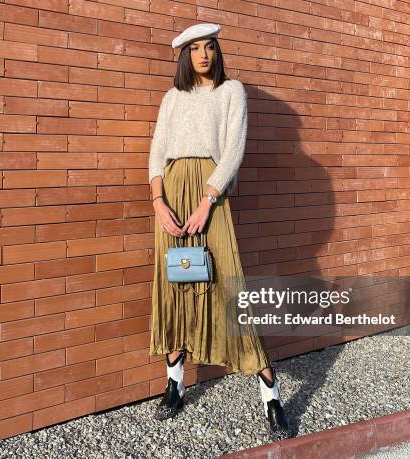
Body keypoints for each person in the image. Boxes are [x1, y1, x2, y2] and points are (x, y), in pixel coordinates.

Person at [148, 23, 290, 436]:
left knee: (228, 286)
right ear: (185, 55)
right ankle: (174, 386)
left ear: (217, 51)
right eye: (195, 48)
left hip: (211, 196)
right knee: (176, 284)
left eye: (209, 47)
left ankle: (271, 397)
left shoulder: (232, 92)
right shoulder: (172, 98)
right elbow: (156, 152)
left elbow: (234, 149)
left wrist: (208, 199)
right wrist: (158, 202)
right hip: (172, 195)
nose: (203, 55)